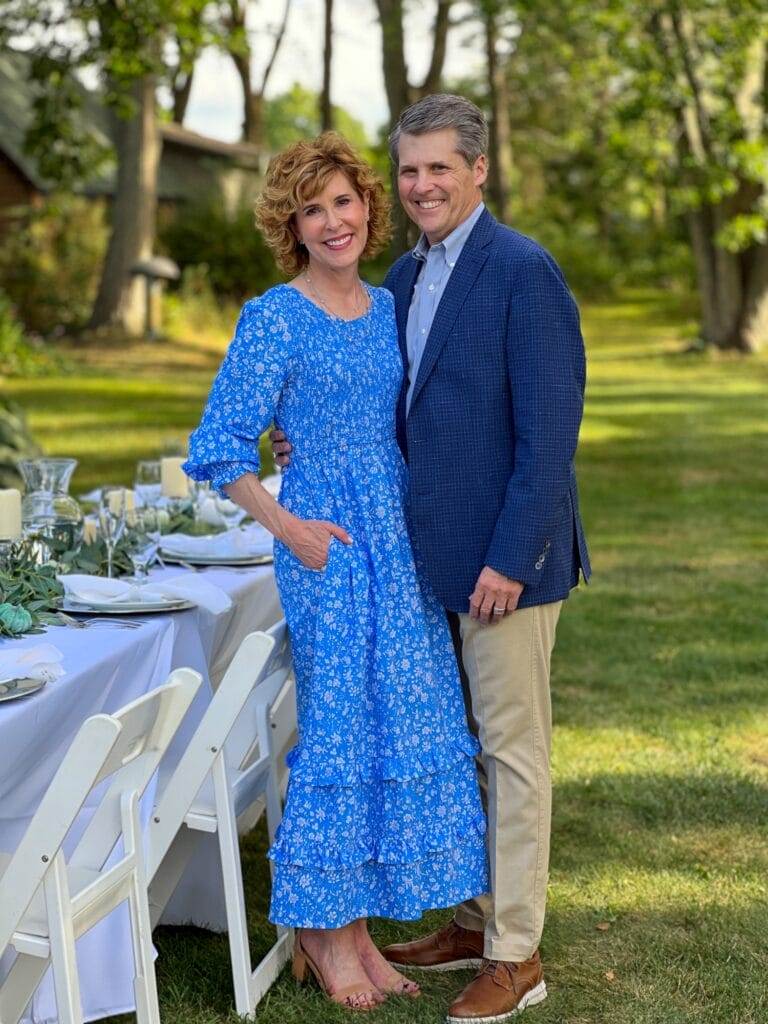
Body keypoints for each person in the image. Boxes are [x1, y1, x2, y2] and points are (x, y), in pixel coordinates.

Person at [271, 94, 591, 1023]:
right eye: (408, 171)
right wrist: (301, 442)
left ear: (478, 171)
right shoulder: (404, 281)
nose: (421, 186)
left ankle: (517, 954)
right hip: (418, 566)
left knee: (512, 751)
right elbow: (381, 408)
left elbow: (548, 441)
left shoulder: (524, 272)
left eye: (439, 168)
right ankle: (476, 918)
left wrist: (512, 560)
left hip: (505, 566)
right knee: (466, 751)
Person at [182, 132, 488, 1013]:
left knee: (403, 721)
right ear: (292, 226)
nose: (332, 221)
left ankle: (354, 930)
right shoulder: (273, 316)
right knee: (340, 729)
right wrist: (288, 526)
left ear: (367, 207)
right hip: (324, 545)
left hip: (399, 540)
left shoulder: (392, 306)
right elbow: (218, 446)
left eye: (343, 201)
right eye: (310, 209)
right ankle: (324, 929)